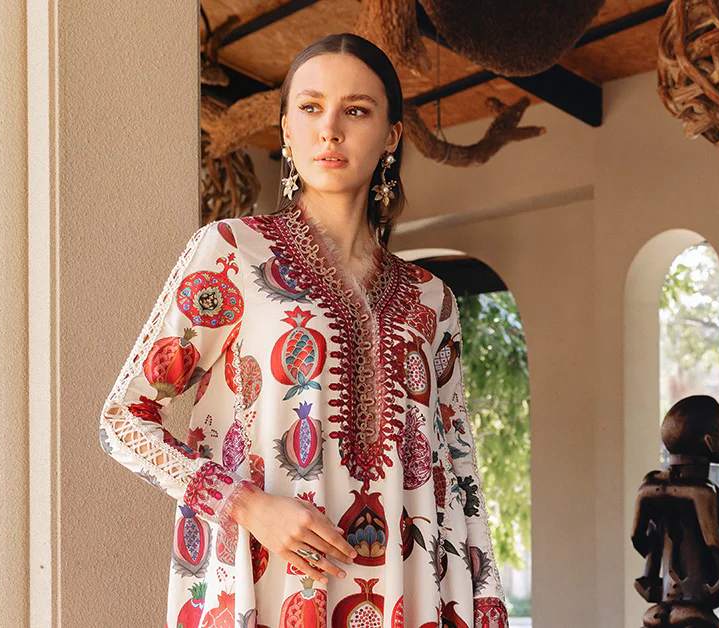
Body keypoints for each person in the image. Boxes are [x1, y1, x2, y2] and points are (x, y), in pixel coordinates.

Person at [98, 32, 509, 628]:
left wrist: (484, 611)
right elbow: (124, 420)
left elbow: (459, 474)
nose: (330, 130)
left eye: (356, 111)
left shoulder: (432, 299)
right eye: (311, 108)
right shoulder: (231, 252)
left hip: (408, 594)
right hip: (271, 585)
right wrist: (245, 506)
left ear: (392, 135)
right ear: (287, 130)